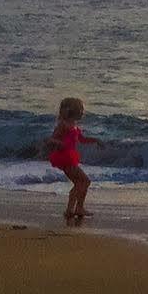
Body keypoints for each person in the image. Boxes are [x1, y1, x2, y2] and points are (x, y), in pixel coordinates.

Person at [47, 96, 99, 224]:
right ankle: (75, 208)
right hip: (65, 158)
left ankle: (74, 209)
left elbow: (81, 139)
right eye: (81, 109)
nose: (83, 112)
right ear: (73, 111)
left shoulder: (74, 125)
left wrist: (95, 140)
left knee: (80, 183)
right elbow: (51, 139)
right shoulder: (63, 125)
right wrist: (60, 144)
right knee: (84, 181)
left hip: (69, 157)